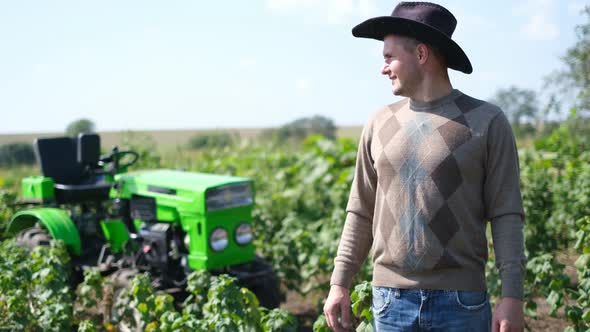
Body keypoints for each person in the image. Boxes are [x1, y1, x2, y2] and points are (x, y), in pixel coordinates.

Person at [323, 2, 526, 332]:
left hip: (461, 303)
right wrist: (339, 283)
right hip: (390, 302)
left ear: (420, 54)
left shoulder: (486, 121)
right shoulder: (379, 122)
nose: (383, 68)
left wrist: (512, 296)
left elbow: (506, 213)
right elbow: (360, 209)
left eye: (389, 57)